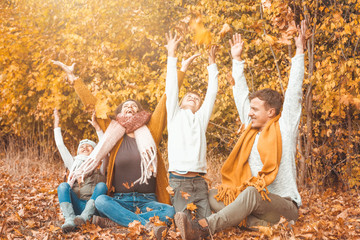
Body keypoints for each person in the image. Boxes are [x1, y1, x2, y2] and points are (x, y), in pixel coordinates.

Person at [174, 20, 307, 240]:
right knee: (215, 194)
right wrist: (236, 59)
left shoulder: (284, 128)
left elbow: (294, 92)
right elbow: (240, 94)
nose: (250, 113)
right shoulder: (251, 130)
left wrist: (300, 51)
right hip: (256, 202)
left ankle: (204, 228)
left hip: (283, 204)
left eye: (255, 109)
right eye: (250, 109)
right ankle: (254, 222)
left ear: (271, 112)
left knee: (252, 194)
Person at [52, 54, 195, 239]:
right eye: (126, 106)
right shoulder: (113, 132)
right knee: (101, 201)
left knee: (168, 210)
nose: (130, 107)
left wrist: (181, 70)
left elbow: (167, 101)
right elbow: (92, 104)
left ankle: (120, 220)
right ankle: (147, 225)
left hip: (148, 200)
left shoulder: (151, 130)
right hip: (119, 200)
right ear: (119, 112)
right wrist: (75, 80)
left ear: (140, 111)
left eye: (134, 106)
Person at [165, 32, 218, 219]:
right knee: (183, 221)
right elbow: (171, 88)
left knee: (207, 225)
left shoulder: (200, 119)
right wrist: (172, 55)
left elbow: (211, 94)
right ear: (180, 102)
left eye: (197, 99)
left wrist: (212, 66)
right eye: (189, 96)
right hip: (179, 181)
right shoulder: (174, 115)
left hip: (199, 181)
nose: (193, 99)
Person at [54, 109, 108, 233]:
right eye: (81, 146)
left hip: (93, 207)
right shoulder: (73, 164)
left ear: (95, 151)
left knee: (101, 185)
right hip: (76, 205)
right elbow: (60, 145)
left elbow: (105, 148)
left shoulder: (99, 166)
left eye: (89, 146)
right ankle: (70, 220)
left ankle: (84, 218)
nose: (84, 147)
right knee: (63, 186)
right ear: (78, 151)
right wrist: (57, 123)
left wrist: (97, 127)